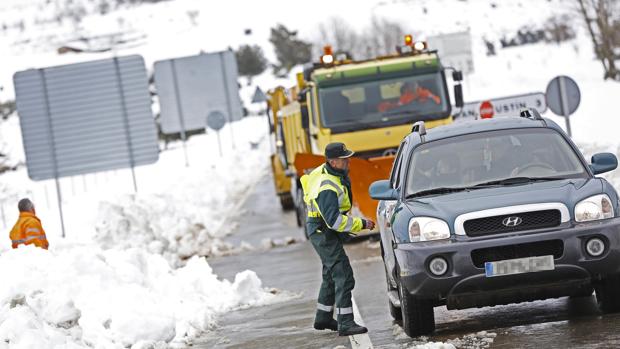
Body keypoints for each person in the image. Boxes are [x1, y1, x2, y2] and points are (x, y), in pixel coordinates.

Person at [300, 142, 375, 336]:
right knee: (343, 273)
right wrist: (361, 224)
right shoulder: (327, 186)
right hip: (322, 231)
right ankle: (346, 323)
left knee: (330, 274)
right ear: (333, 161)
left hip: (321, 229)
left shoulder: (329, 173)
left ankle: (323, 318)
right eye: (344, 159)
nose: (348, 161)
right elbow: (333, 220)